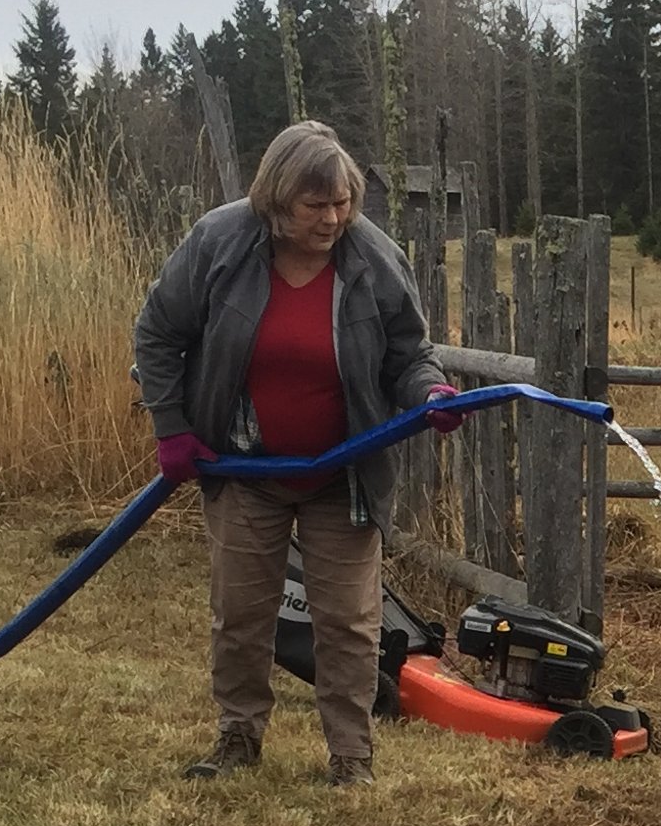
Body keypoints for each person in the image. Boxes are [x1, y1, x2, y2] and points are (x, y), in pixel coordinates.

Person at [133, 121, 459, 788]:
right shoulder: (220, 244)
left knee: (348, 620)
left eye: (343, 202)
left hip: (343, 472)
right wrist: (172, 428)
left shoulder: (372, 258)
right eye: (316, 206)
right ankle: (237, 737)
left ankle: (350, 758)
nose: (334, 218)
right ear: (278, 200)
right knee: (242, 612)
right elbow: (158, 331)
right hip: (244, 466)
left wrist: (430, 393)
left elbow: (409, 355)